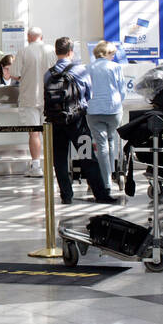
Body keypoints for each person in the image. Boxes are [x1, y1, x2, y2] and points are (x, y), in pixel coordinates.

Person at [44, 37, 114, 205]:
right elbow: (89, 94)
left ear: (56, 52)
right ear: (70, 52)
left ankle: (66, 195)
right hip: (76, 121)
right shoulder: (79, 70)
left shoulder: (49, 73)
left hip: (55, 121)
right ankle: (101, 194)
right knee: (86, 156)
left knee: (59, 159)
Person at [12, 27, 55, 176]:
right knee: (50, 132)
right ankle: (52, 165)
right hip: (49, 98)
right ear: (41, 37)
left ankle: (36, 166)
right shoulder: (51, 50)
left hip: (29, 97)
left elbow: (15, 74)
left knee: (34, 133)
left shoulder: (23, 51)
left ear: (28, 37)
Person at [85, 41, 127, 192]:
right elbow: (122, 90)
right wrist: (117, 101)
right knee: (111, 142)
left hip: (94, 110)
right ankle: (109, 176)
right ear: (107, 53)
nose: (114, 56)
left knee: (101, 145)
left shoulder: (88, 68)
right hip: (113, 110)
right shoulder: (116, 67)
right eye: (113, 54)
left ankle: (106, 180)